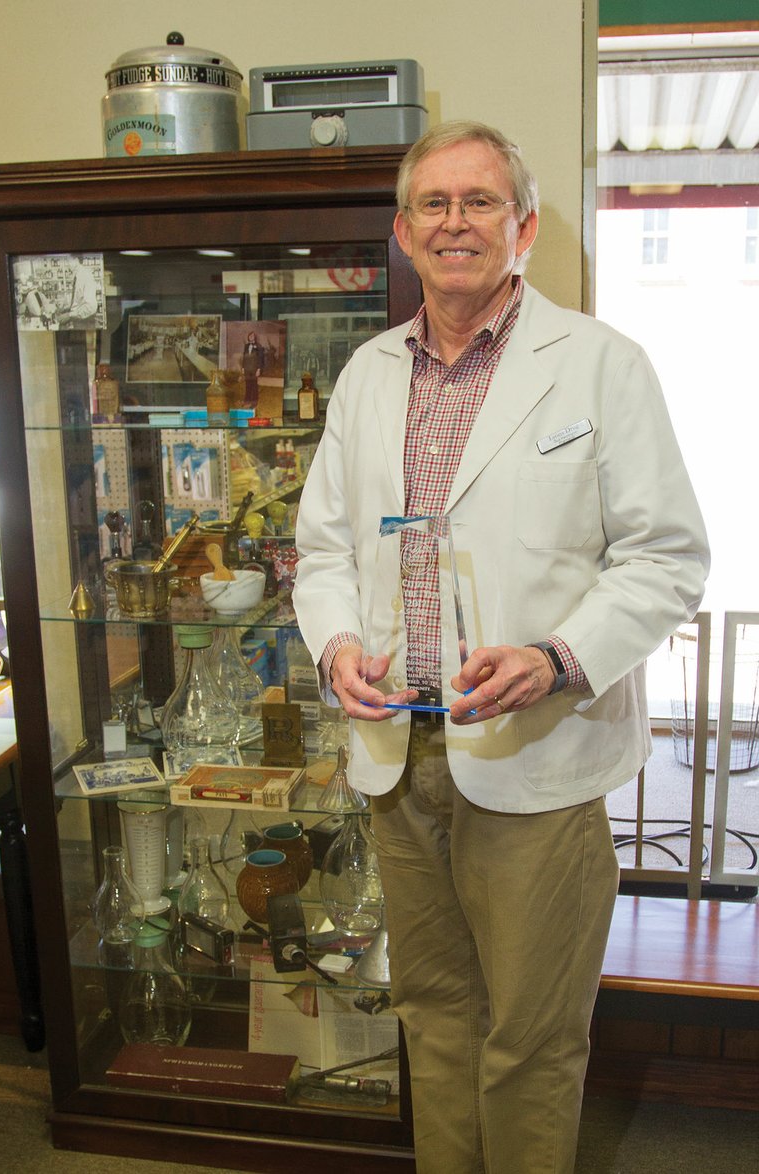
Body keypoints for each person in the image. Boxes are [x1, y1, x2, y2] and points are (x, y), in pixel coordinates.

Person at [292, 121, 709, 1174]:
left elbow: (666, 556)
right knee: (431, 1015)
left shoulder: (601, 365)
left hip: (536, 753)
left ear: (521, 225)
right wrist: (336, 640)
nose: (453, 222)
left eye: (478, 201)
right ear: (401, 232)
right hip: (397, 755)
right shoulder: (365, 376)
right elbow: (323, 549)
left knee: (528, 1039)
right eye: (431, 204)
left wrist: (557, 655)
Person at [241, 330, 264, 407]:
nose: (251, 337)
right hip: (247, 369)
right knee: (247, 385)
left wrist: (259, 369)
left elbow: (261, 359)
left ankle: (254, 402)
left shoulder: (259, 346)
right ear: (248, 337)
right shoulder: (246, 346)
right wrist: (243, 367)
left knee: (254, 385)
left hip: (254, 369)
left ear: (255, 337)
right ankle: (247, 401)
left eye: (253, 336)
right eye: (250, 336)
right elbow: (244, 357)